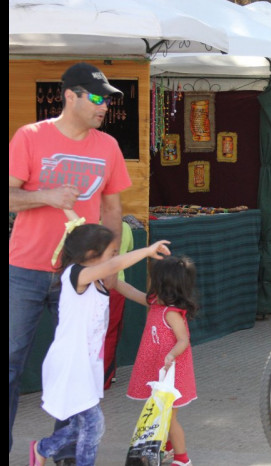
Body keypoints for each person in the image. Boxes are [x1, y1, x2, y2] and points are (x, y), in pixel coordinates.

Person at [9, 61, 131, 460]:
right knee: (10, 364)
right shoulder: (30, 137)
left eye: (107, 100)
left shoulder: (108, 146)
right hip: (25, 270)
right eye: (96, 98)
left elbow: (113, 210)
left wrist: (109, 264)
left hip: (77, 276)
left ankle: (59, 453)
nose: (104, 107)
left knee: (75, 371)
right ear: (70, 96)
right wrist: (45, 196)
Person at [29, 223, 171, 466]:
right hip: (70, 364)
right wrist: (146, 252)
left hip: (87, 365)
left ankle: (42, 448)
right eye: (111, 251)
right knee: (94, 425)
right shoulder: (76, 274)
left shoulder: (100, 281)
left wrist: (153, 303)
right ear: (90, 254)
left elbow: (120, 285)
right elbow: (113, 267)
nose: (115, 256)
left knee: (78, 425)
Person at [125, 255, 198, 466]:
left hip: (171, 373)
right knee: (160, 413)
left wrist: (171, 355)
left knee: (169, 417)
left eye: (153, 278)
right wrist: (113, 280)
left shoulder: (172, 313)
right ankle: (165, 448)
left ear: (163, 284)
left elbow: (183, 339)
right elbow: (131, 292)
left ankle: (183, 458)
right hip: (159, 370)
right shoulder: (155, 302)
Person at [103, 220, 134, 390]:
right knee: (111, 334)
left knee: (104, 334)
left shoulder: (89, 223)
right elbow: (129, 248)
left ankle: (105, 376)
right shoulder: (125, 226)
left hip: (97, 285)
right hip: (116, 286)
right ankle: (107, 376)